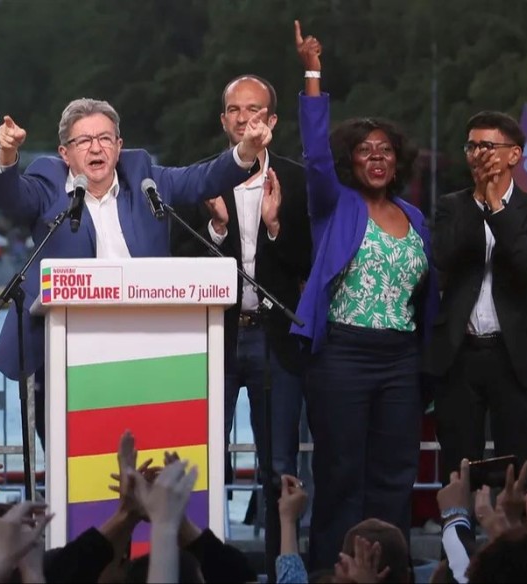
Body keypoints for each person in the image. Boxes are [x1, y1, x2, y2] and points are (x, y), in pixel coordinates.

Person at [0, 97, 271, 446]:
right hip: (64, 353)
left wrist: (246, 151)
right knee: (75, 454)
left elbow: (203, 178)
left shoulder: (144, 179)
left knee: (144, 454)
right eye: (84, 141)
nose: (97, 148)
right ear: (65, 153)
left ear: (119, 145)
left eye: (105, 138)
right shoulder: (48, 183)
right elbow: (11, 197)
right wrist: (7, 155)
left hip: (146, 352)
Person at [291, 21, 439, 571]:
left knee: (394, 476)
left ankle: (388, 573)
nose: (376, 157)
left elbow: (425, 296)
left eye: (385, 151)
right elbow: (314, 156)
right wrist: (313, 76)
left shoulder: (415, 218)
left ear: (397, 161)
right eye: (364, 150)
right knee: (341, 475)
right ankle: (333, 573)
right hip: (343, 355)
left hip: (400, 360)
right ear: (350, 161)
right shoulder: (335, 204)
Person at [172, 73, 311, 565]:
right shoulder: (201, 180)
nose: (244, 118)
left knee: (279, 466)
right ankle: (207, 569)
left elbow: (308, 263)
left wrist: (274, 228)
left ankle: (282, 566)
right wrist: (217, 227)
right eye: (235, 110)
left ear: (271, 120)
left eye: (255, 110)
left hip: (276, 341)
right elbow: (177, 260)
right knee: (202, 462)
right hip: (217, 338)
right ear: (223, 120)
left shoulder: (296, 180)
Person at [425, 111, 527, 490]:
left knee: (518, 468)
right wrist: (478, 201)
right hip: (459, 355)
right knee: (458, 467)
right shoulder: (451, 206)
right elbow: (443, 257)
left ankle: (516, 530)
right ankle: (458, 531)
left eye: (487, 146)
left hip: (513, 357)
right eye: (471, 146)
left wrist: (496, 207)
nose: (478, 154)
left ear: (514, 155)